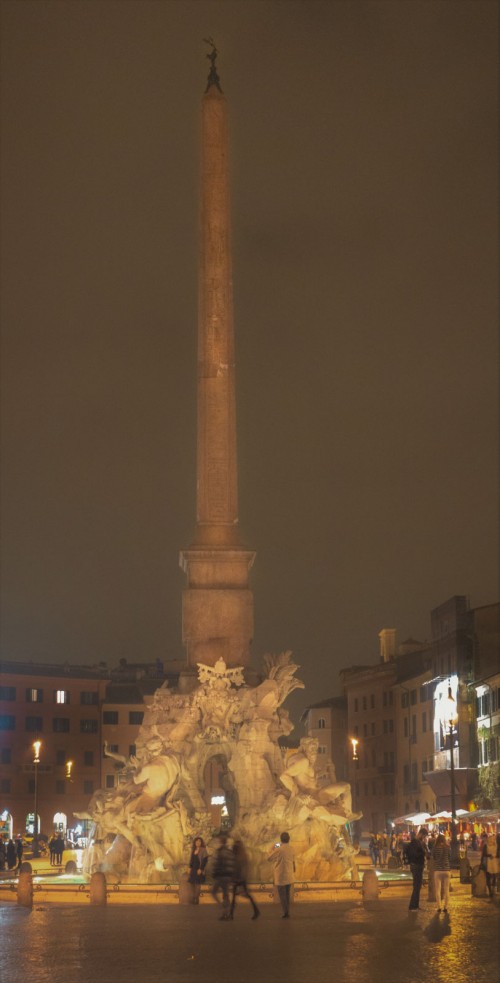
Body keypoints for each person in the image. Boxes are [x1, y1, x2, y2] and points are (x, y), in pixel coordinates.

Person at [229, 839, 260, 920]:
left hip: (239, 879)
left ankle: (231, 914)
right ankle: (231, 914)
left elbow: (238, 868)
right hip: (240, 879)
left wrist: (236, 879)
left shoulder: (238, 855)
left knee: (236, 897)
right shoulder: (242, 855)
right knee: (243, 896)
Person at [267, 831, 295, 918]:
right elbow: (293, 861)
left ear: (281, 839)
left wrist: (273, 847)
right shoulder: (291, 849)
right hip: (289, 876)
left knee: (282, 896)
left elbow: (269, 858)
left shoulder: (279, 849)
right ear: (289, 839)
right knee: (286, 895)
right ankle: (287, 911)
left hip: (280, 876)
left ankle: (286, 913)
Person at [211, 834, 235, 920]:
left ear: (220, 842)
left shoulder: (219, 851)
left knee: (213, 892)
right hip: (228, 876)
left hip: (220, 876)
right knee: (226, 894)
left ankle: (222, 907)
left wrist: (214, 874)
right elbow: (232, 864)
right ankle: (226, 912)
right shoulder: (229, 851)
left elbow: (216, 864)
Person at [406, 827, 429, 911]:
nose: (424, 838)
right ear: (421, 834)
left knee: (418, 886)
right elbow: (414, 855)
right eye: (424, 836)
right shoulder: (415, 842)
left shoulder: (419, 842)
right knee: (416, 886)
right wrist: (423, 852)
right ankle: (412, 906)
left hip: (418, 865)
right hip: (416, 866)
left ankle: (416, 905)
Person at [432, 833, 451, 913]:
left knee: (438, 890)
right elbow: (449, 857)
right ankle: (446, 907)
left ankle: (439, 907)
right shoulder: (447, 847)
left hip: (438, 870)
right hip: (446, 870)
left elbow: (434, 858)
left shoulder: (435, 848)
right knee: (446, 889)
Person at [188, 836, 208, 904]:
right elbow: (192, 860)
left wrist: (201, 869)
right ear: (195, 842)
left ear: (201, 842)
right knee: (192, 884)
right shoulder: (193, 850)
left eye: (199, 841)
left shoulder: (203, 850)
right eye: (197, 841)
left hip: (199, 869)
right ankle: (194, 897)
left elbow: (205, 860)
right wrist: (189, 867)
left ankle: (196, 899)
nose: (198, 842)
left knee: (197, 884)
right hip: (193, 869)